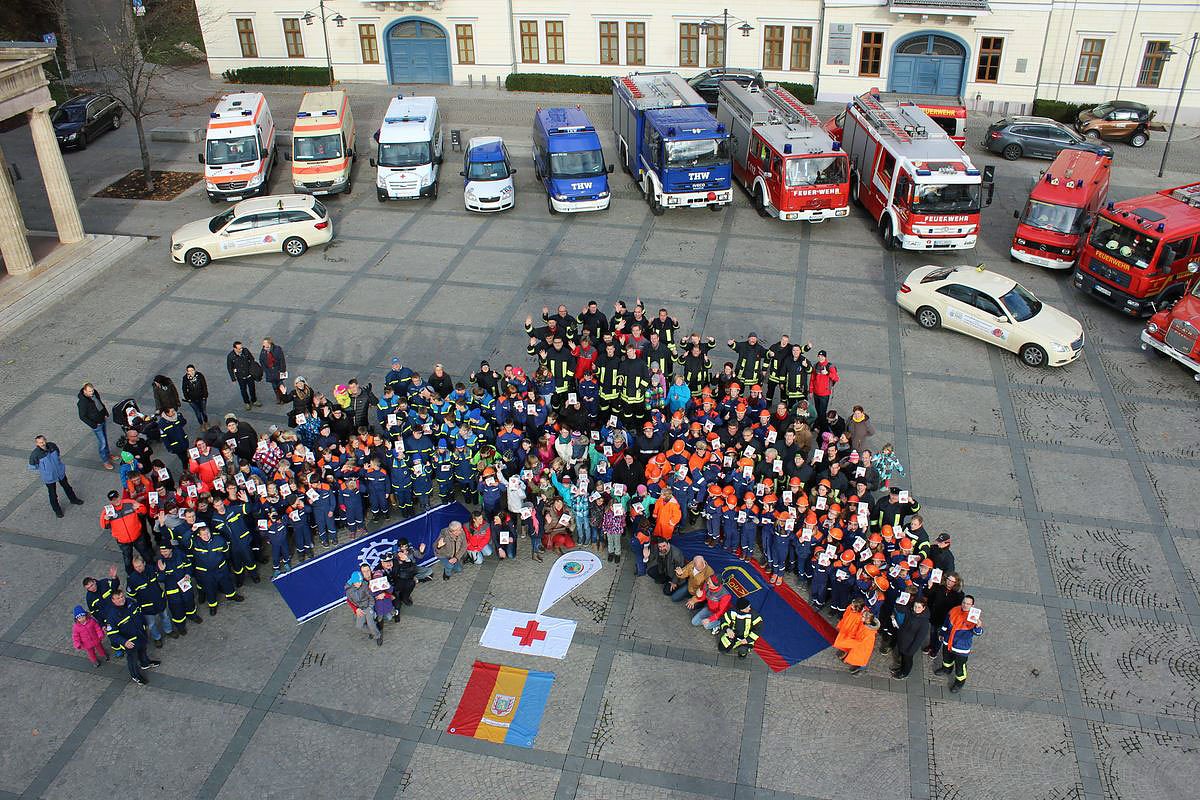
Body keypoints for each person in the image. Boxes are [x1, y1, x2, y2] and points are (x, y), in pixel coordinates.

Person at [104, 588, 160, 685]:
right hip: (129, 642)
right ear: (113, 600)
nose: (121, 599)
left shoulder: (131, 602)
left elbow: (139, 613)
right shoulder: (112, 616)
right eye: (118, 598)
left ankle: (145, 663)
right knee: (132, 659)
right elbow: (112, 634)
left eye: (122, 596)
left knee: (143, 650)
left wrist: (144, 625)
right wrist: (124, 642)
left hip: (140, 634)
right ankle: (135, 676)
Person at [28, 435, 84, 518]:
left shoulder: (52, 446)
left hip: (60, 472)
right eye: (40, 442)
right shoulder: (35, 454)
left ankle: (73, 499)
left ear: (45, 440)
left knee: (67, 487)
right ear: (37, 444)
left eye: (43, 441)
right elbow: (32, 466)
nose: (42, 444)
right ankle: (57, 511)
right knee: (53, 494)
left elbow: (57, 453)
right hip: (49, 477)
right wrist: (45, 469)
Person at [935, 596, 983, 692]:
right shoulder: (954, 610)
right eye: (964, 602)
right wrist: (942, 633)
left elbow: (978, 633)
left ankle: (959, 682)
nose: (965, 605)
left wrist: (978, 627)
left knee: (960, 666)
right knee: (946, 659)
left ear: (972, 605)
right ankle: (946, 669)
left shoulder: (974, 617)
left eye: (968, 604)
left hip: (961, 647)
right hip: (948, 641)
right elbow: (946, 624)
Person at [125, 554, 173, 647]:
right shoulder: (132, 579)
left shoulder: (151, 569)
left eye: (139, 566)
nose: (138, 568)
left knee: (165, 617)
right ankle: (157, 638)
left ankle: (169, 631)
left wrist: (162, 571)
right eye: (136, 567)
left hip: (159, 601)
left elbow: (161, 579)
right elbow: (131, 594)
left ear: (144, 563)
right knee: (151, 624)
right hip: (146, 606)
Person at [101, 490, 152, 571]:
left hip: (137, 536)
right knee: (127, 559)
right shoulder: (107, 511)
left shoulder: (129, 503)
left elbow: (144, 511)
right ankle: (131, 574)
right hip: (123, 541)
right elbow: (104, 526)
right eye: (113, 500)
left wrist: (138, 508)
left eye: (116, 498)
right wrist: (106, 519)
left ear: (119, 496)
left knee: (146, 554)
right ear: (110, 501)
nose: (116, 500)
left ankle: (152, 569)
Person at [924, 572, 965, 656]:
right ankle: (931, 645)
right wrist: (929, 587)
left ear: (956, 583)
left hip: (945, 619)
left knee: (940, 635)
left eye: (952, 581)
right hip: (934, 615)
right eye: (948, 580)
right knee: (932, 632)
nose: (949, 582)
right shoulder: (939, 587)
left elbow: (958, 609)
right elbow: (928, 594)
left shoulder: (959, 594)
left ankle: (935, 650)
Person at [77, 382, 113, 469]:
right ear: (84, 391)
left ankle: (108, 454)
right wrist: (94, 425)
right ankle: (105, 461)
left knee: (105, 439)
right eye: (89, 391)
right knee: (102, 442)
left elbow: (100, 404)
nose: (92, 392)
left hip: (102, 419)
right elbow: (82, 416)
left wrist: (105, 413)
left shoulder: (95, 394)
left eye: (92, 390)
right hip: (96, 424)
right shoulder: (82, 402)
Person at [892, 598, 928, 679]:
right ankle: (901, 668)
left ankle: (905, 673)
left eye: (919, 607)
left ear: (924, 608)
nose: (916, 609)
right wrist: (900, 600)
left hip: (909, 645)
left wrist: (911, 650)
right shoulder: (911, 611)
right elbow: (899, 608)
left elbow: (919, 640)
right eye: (915, 606)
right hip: (902, 640)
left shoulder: (924, 623)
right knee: (903, 658)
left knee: (907, 660)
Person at [345, 571, 382, 646]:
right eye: (358, 582)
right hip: (360, 609)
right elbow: (350, 601)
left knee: (370, 623)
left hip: (368, 606)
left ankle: (378, 636)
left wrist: (370, 607)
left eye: (361, 581)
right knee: (359, 626)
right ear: (353, 582)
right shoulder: (348, 590)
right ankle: (372, 632)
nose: (360, 583)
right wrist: (356, 609)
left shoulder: (364, 585)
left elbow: (371, 597)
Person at [842, 608, 881, 675]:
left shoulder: (868, 631)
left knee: (862, 659)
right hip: (862, 646)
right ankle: (858, 666)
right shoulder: (868, 625)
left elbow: (860, 640)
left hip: (863, 647)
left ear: (867, 620)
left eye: (863, 616)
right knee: (861, 658)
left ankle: (861, 669)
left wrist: (847, 642)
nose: (861, 617)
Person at [226, 341, 260, 410]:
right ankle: (246, 402)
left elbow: (252, 359)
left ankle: (254, 400)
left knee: (252, 388)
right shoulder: (230, 356)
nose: (241, 349)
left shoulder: (245, 351)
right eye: (239, 348)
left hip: (249, 374)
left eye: (241, 348)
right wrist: (233, 378)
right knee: (243, 390)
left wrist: (252, 368)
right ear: (235, 348)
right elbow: (230, 368)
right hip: (240, 376)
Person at [259, 338, 288, 404]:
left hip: (278, 370)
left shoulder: (277, 349)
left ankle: (284, 397)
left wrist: (282, 370)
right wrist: (266, 370)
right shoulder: (263, 351)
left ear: (269, 343)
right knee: (274, 385)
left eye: (264, 343)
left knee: (280, 384)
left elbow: (282, 360)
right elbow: (261, 360)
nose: (263, 344)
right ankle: (278, 397)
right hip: (270, 372)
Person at [181, 365, 210, 430]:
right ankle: (201, 424)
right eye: (189, 371)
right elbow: (184, 389)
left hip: (202, 397)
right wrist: (188, 398)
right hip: (192, 399)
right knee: (197, 412)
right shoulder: (185, 378)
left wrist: (205, 396)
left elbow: (204, 386)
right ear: (187, 372)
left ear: (195, 370)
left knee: (203, 411)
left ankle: (206, 422)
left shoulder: (199, 376)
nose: (191, 372)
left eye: (192, 370)